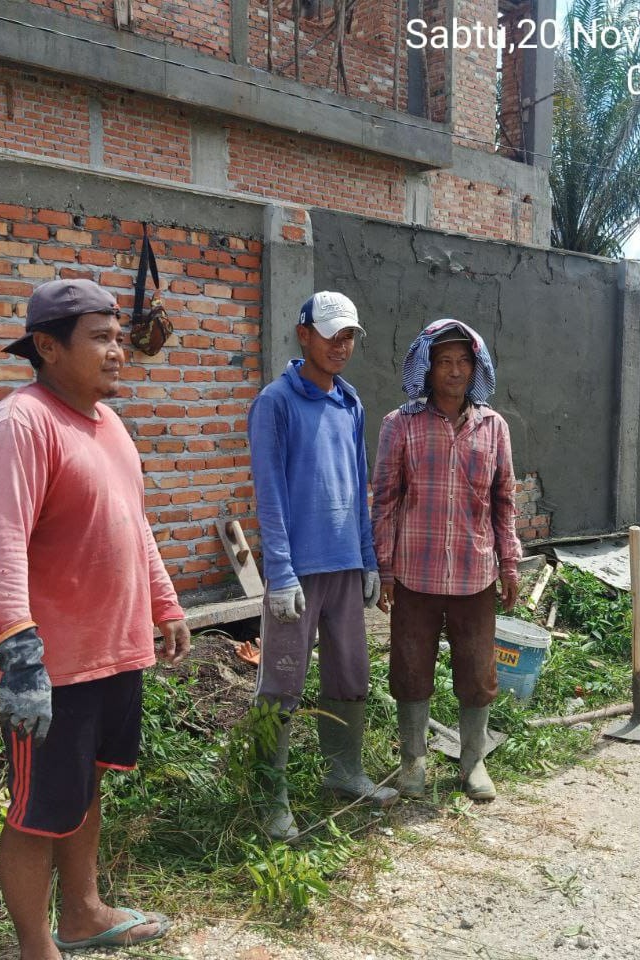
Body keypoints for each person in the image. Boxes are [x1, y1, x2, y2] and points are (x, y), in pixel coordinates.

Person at [0, 278, 191, 959]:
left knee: (86, 783)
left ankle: (84, 914)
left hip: (109, 650)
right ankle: (37, 947)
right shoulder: (19, 425)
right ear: (47, 346)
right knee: (38, 810)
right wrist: (17, 652)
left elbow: (133, 525)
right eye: (100, 338)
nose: (119, 350)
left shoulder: (108, 424)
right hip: (51, 664)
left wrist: (164, 603)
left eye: (119, 337)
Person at [247, 290, 397, 842]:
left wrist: (368, 559)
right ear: (304, 334)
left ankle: (343, 771)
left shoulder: (350, 403)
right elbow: (269, 495)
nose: (342, 345)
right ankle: (270, 796)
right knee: (282, 682)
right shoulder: (275, 403)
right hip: (298, 570)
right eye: (332, 335)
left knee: (351, 673)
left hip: (344, 565)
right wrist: (280, 572)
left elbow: (359, 486)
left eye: (350, 336)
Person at [371, 319, 522, 801]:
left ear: (476, 369)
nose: (454, 371)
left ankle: (473, 761)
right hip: (414, 575)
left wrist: (510, 563)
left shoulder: (493, 427)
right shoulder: (400, 424)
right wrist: (384, 568)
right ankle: (412, 762)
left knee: (477, 673)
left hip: (475, 575)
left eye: (463, 362)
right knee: (410, 670)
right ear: (427, 368)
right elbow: (384, 500)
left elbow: (504, 501)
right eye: (444, 362)